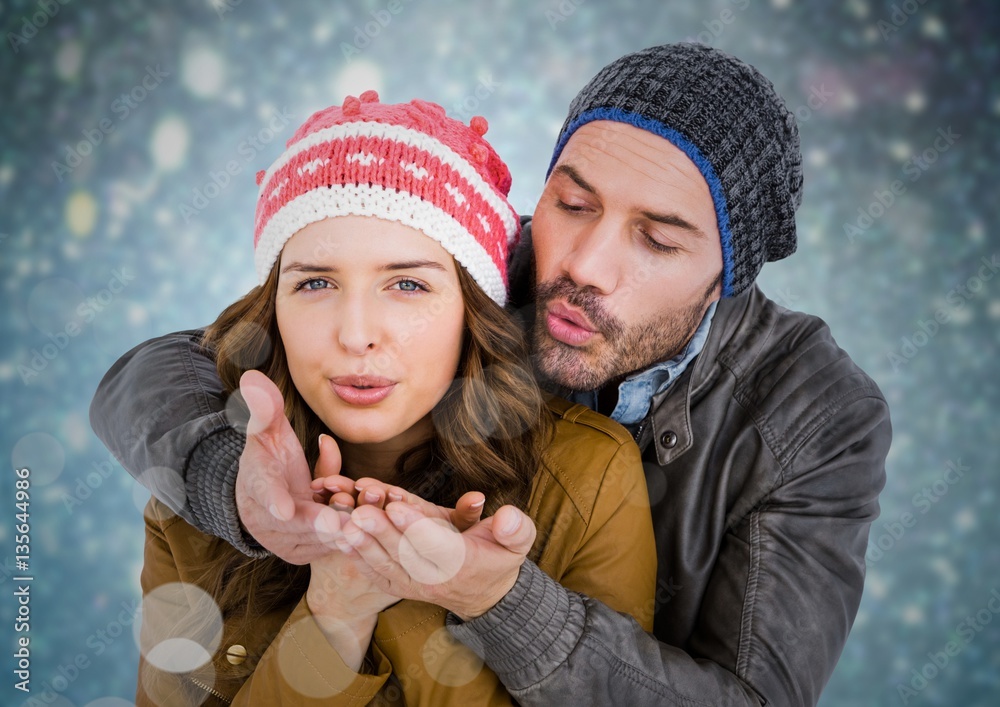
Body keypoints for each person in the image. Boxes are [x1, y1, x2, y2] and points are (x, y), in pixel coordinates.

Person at [91, 44, 892, 706]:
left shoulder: (816, 417)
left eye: (658, 238)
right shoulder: (470, 261)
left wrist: (495, 598)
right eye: (573, 204)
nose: (582, 266)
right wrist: (223, 477)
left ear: (728, 276)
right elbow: (179, 361)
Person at [116, 92, 656, 705]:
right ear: (274, 309)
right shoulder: (199, 490)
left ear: (472, 309)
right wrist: (337, 611)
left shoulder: (590, 475)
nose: (355, 334)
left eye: (407, 284)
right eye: (315, 283)